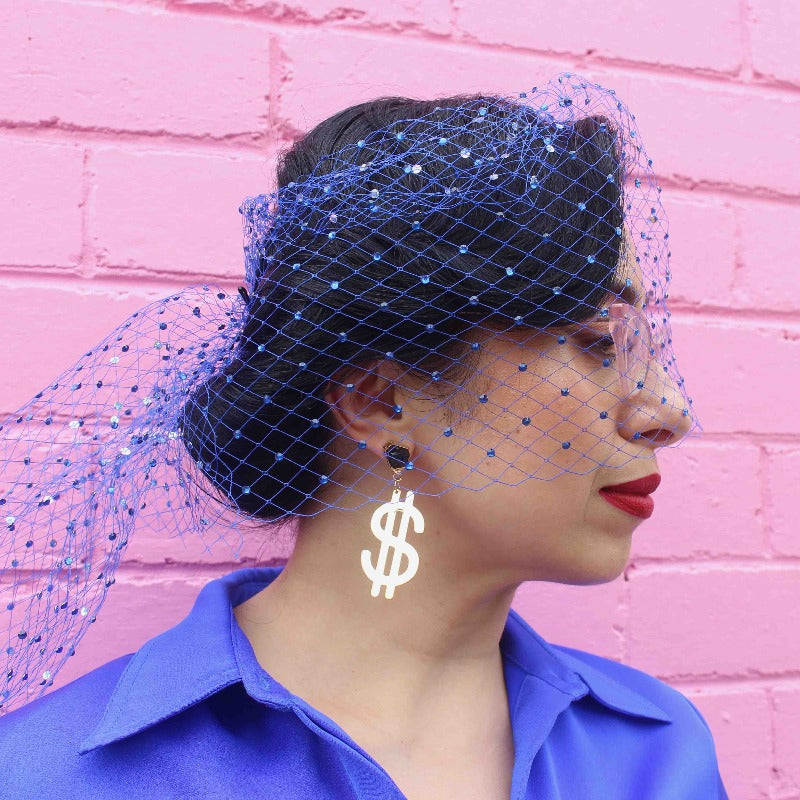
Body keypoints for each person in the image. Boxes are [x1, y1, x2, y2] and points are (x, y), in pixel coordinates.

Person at [0, 74, 729, 798]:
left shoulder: (659, 756)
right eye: (600, 340)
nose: (667, 411)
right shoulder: (53, 778)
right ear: (378, 399)